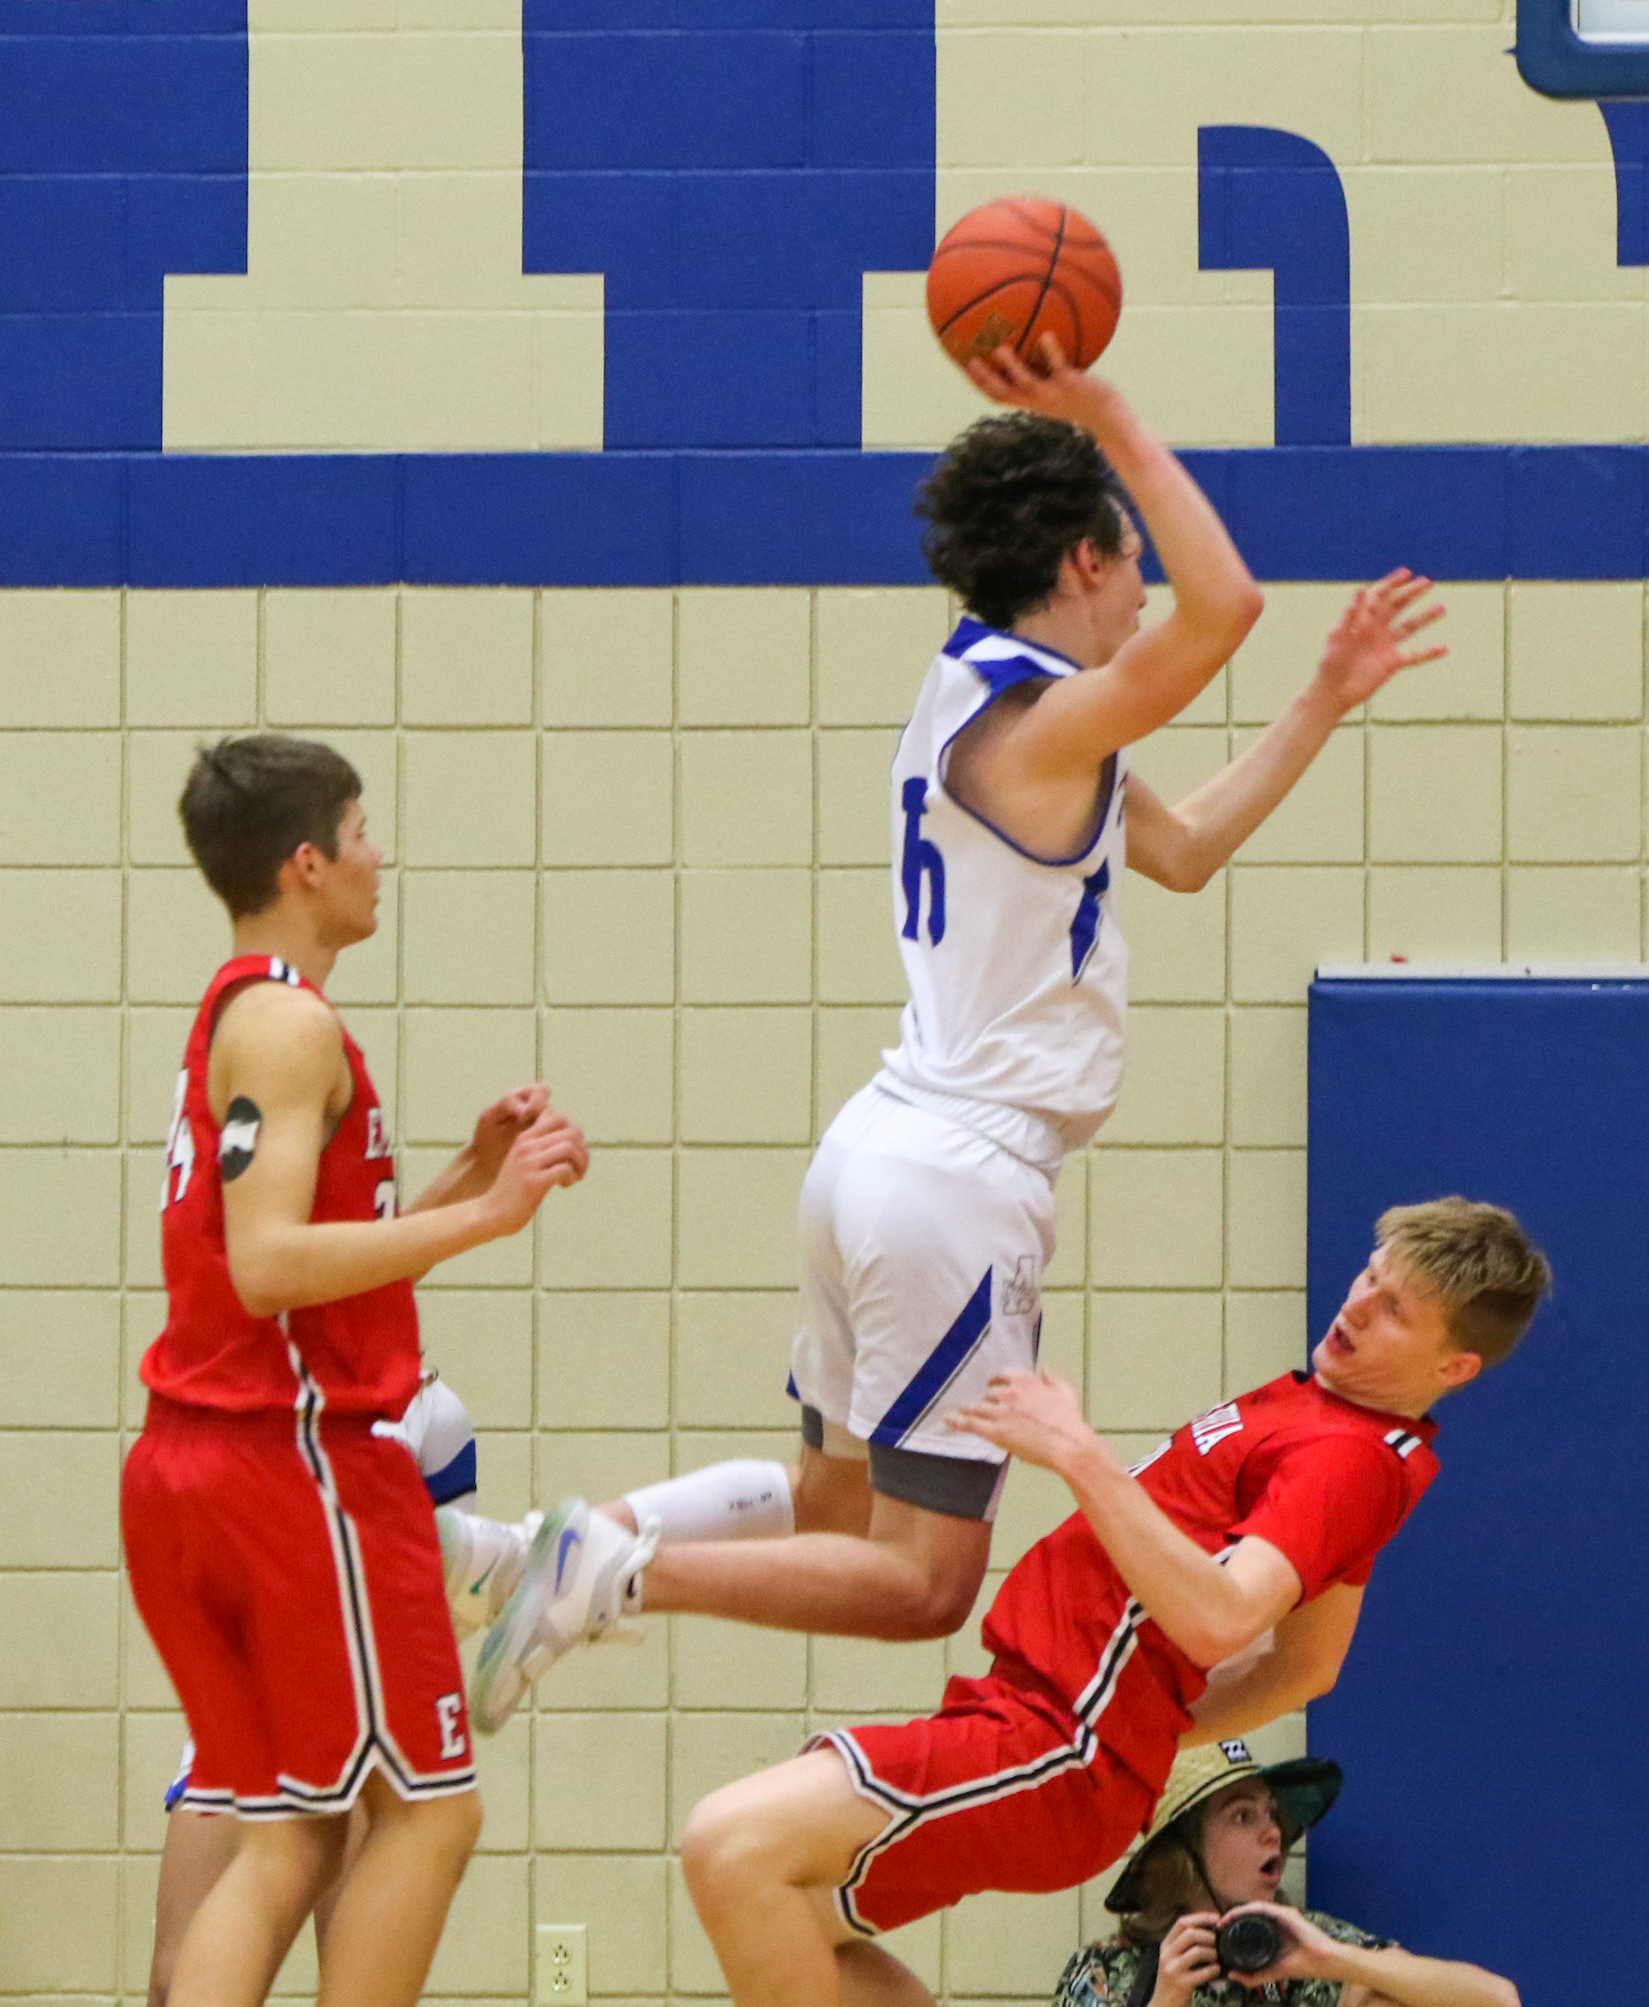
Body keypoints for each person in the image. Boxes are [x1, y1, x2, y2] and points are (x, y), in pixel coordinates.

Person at [460, 336, 1447, 1733]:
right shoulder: (1037, 725)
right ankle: (602, 1574)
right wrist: (1102, 406)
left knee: (828, 1506)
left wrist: (1324, 700)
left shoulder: (976, 696)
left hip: (875, 1150)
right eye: (1131, 558)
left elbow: (1186, 853)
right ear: (1089, 561)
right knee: (923, 1584)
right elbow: (1226, 605)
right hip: (959, 1182)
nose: (1148, 589)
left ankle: (545, 1549)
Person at [673, 1197, 1550, 2007]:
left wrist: (1078, 1452)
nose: (1358, 1305)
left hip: (1060, 1743)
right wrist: (1149, 1731)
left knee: (732, 1845)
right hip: (1051, 1727)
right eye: (1370, 1276)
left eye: (1396, 1309)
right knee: (797, 1920)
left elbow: (1222, 1618)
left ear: (1454, 1363)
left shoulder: (1347, 1460)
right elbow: (1307, 1665)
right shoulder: (1334, 1426)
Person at [119, 733, 589, 2007]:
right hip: (290, 1477)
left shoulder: (242, 1012)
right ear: (308, 859)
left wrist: (458, 1180)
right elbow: (272, 1264)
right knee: (428, 1815)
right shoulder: (287, 1023)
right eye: (364, 830)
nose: (383, 855)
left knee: (293, 1830)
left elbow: (287, 1267)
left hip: (193, 1466)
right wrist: (491, 1220)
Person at [145, 1371, 482, 2007]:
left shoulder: (432, 1413)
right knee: (171, 1977)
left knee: (355, 1978)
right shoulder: (248, 1382)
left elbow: (448, 1592)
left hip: (362, 1721)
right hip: (243, 1711)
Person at [1055, 1740, 1519, 2007]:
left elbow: (1497, 2000)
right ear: (1182, 1855)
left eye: (1272, 1814)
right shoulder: (1105, 1971)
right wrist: (1165, 1998)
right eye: (1242, 1816)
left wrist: (1335, 1960)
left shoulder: (1303, 1949)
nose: (1273, 1832)